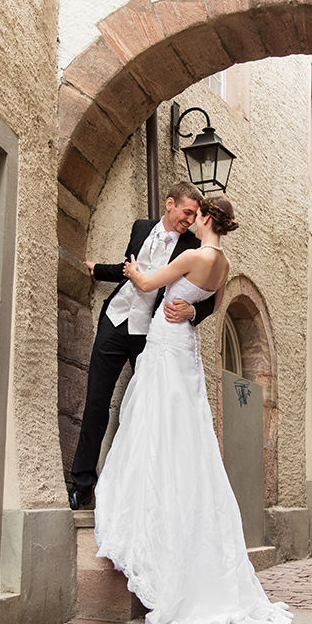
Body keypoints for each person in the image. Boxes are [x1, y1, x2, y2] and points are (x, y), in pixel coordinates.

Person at [93, 195, 293, 624]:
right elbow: (213, 305)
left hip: (166, 342)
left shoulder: (190, 254)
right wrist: (189, 307)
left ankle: (148, 503)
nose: (193, 218)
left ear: (203, 219)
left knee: (154, 420)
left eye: (196, 214)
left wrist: (129, 271)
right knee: (184, 427)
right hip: (184, 346)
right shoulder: (222, 264)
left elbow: (146, 286)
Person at [68, 181, 216, 511]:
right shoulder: (141, 228)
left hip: (148, 335)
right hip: (115, 322)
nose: (189, 220)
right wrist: (96, 270)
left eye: (194, 216)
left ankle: (143, 494)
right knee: (96, 403)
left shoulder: (193, 247)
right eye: (186, 212)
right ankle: (81, 483)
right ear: (169, 204)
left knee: (147, 411)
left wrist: (194, 311)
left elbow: (207, 293)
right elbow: (128, 270)